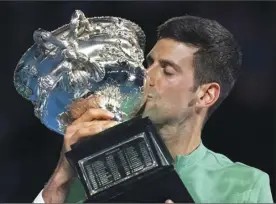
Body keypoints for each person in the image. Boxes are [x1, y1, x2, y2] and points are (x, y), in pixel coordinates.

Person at [33, 16, 273, 203]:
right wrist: (62, 177)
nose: (147, 76)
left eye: (167, 70)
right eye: (149, 63)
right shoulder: (94, 172)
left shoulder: (245, 185)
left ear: (205, 94)